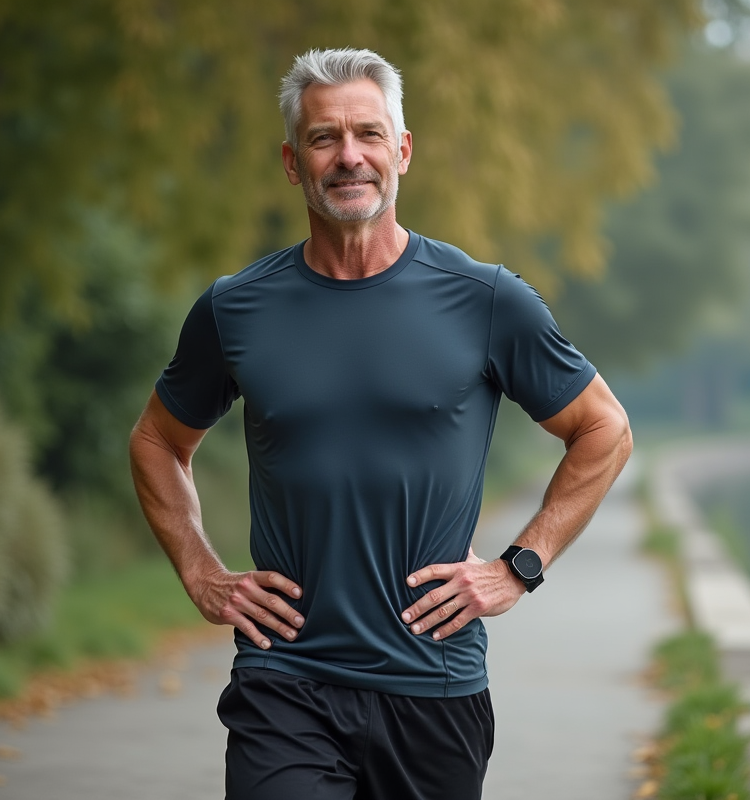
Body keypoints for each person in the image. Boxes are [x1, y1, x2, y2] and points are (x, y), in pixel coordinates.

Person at [129, 47, 632, 800]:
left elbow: (604, 429)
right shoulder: (236, 309)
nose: (348, 156)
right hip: (285, 679)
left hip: (435, 686)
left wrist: (518, 567)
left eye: (368, 134)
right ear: (294, 163)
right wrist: (200, 570)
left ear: (401, 151)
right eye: (324, 138)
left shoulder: (485, 299)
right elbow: (158, 442)